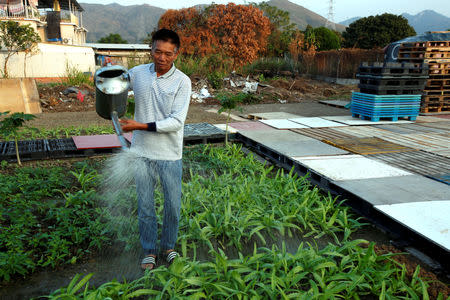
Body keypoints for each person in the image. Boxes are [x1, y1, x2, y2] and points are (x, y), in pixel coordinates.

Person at [119, 29, 191, 270]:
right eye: (158, 51)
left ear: (176, 54)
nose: (162, 58)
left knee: (172, 205)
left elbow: (176, 122)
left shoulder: (182, 81)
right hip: (141, 152)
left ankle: (168, 247)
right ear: (151, 49)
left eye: (168, 54)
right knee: (146, 205)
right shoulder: (137, 73)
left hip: (169, 155)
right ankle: (149, 250)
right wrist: (101, 84)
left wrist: (138, 125)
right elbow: (115, 85)